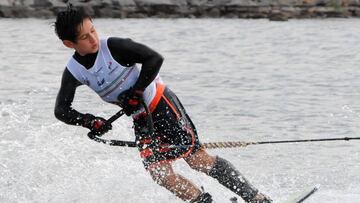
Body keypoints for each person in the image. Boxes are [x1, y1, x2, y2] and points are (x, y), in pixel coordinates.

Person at [53, 5, 272, 203]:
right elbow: (61, 111)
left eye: (93, 30)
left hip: (161, 103)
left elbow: (154, 58)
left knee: (198, 160)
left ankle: (256, 198)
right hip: (141, 119)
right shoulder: (74, 71)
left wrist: (136, 91)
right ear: (69, 44)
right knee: (160, 174)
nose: (93, 39)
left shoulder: (114, 47)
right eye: (85, 37)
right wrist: (90, 121)